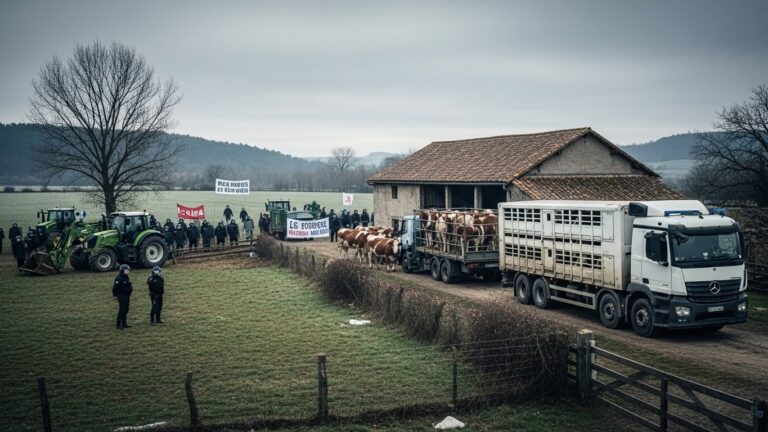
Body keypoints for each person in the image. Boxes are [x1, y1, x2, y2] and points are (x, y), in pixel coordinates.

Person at [112, 264, 133, 330]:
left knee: (126, 309)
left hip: (127, 296)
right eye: (127, 270)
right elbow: (115, 288)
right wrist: (115, 295)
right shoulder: (119, 278)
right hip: (122, 296)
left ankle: (124, 323)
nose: (128, 271)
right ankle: (118, 325)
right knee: (122, 310)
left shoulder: (126, 277)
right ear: (122, 270)